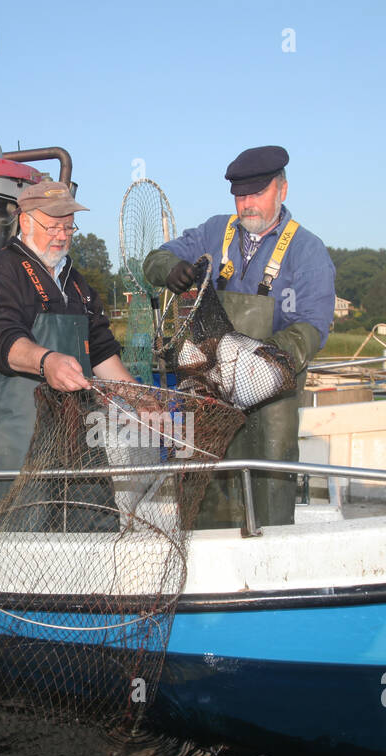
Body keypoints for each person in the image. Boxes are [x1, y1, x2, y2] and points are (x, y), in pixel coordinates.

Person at [143, 146, 336, 529]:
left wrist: (255, 363)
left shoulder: (308, 250)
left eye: (256, 194)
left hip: (271, 402)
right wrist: (171, 268)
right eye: (240, 195)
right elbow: (153, 260)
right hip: (208, 393)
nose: (247, 204)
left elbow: (314, 326)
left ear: (282, 189)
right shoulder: (216, 231)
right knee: (206, 495)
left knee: (269, 494)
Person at [0, 180, 135, 517]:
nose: (62, 235)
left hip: (80, 436)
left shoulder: (76, 283)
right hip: (22, 441)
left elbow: (100, 351)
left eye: (69, 226)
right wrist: (47, 362)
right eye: (53, 225)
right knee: (20, 528)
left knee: (95, 520)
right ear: (25, 221)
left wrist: (138, 399)